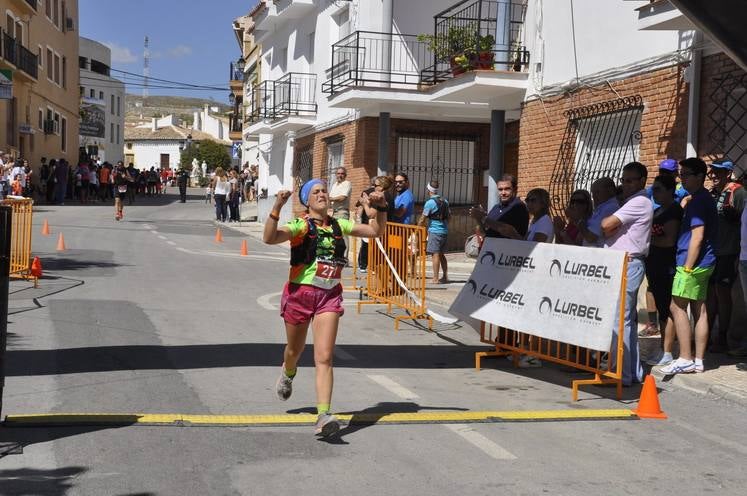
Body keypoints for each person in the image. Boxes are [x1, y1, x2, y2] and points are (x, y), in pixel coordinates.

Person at [262, 179, 388, 437]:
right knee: (294, 350)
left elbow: (375, 231)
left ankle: (323, 415)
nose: (322, 194)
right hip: (300, 294)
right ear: (307, 201)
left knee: (324, 356)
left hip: (329, 295)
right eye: (315, 192)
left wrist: (382, 209)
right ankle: (288, 372)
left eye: (324, 191)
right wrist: (277, 206)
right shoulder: (300, 225)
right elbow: (269, 237)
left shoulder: (340, 224)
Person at [660, 158, 718, 375]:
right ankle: (699, 360)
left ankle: (685, 358)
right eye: (680, 174)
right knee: (699, 308)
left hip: (692, 264)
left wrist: (686, 268)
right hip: (705, 262)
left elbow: (697, 237)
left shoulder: (698, 202)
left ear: (699, 177)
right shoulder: (701, 199)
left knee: (677, 307)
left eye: (685, 174)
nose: (681, 178)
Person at [600, 161, 653, 386]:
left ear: (642, 181)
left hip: (629, 263)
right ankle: (630, 371)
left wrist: (610, 224)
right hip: (622, 263)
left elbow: (606, 224)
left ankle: (623, 372)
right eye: (623, 180)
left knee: (620, 321)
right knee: (624, 321)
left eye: (630, 180)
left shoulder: (639, 201)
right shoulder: (631, 201)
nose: (626, 184)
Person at [706, 159, 746, 353]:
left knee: (723, 293)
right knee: (710, 293)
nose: (713, 175)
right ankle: (709, 336)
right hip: (712, 251)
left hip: (729, 251)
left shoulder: (738, 193)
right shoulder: (713, 193)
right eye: (711, 172)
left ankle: (723, 337)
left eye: (718, 172)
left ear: (728, 173)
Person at [644, 175, 683, 366]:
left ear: (670, 191)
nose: (655, 193)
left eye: (658, 189)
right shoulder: (657, 211)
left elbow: (669, 240)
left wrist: (646, 242)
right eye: (654, 189)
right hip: (654, 265)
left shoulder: (674, 211)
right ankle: (662, 348)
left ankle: (667, 351)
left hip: (667, 266)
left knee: (667, 309)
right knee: (661, 308)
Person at [469, 174, 529, 241]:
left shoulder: (518, 206)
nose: (503, 193)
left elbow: (506, 230)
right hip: (491, 248)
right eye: (500, 189)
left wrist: (483, 218)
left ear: (515, 189)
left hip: (511, 249)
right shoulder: (496, 207)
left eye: (507, 189)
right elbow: (483, 233)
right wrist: (478, 218)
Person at [419, 179, 450, 284]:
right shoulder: (445, 201)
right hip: (444, 231)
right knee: (442, 254)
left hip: (434, 231)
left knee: (435, 254)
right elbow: (449, 217)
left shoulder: (429, 203)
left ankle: (435, 278)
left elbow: (423, 218)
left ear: (429, 190)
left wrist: (418, 227)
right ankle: (445, 277)